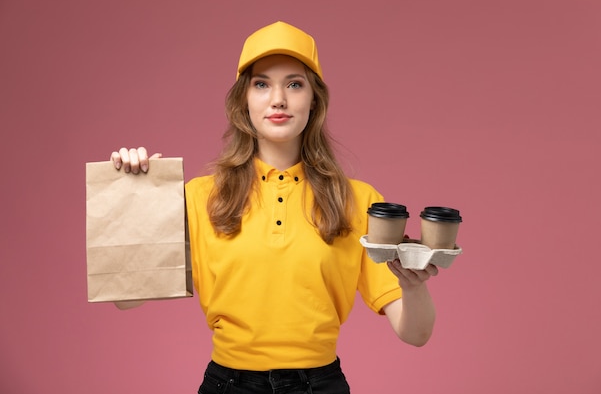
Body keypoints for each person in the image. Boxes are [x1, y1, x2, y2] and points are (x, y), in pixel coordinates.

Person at [111, 21, 439, 394]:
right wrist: (135, 196)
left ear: (313, 99)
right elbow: (125, 298)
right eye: (262, 84)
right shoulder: (200, 197)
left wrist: (414, 288)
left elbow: (415, 334)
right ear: (244, 100)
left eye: (294, 84)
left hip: (321, 385)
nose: (278, 98)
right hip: (228, 385)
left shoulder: (359, 201)